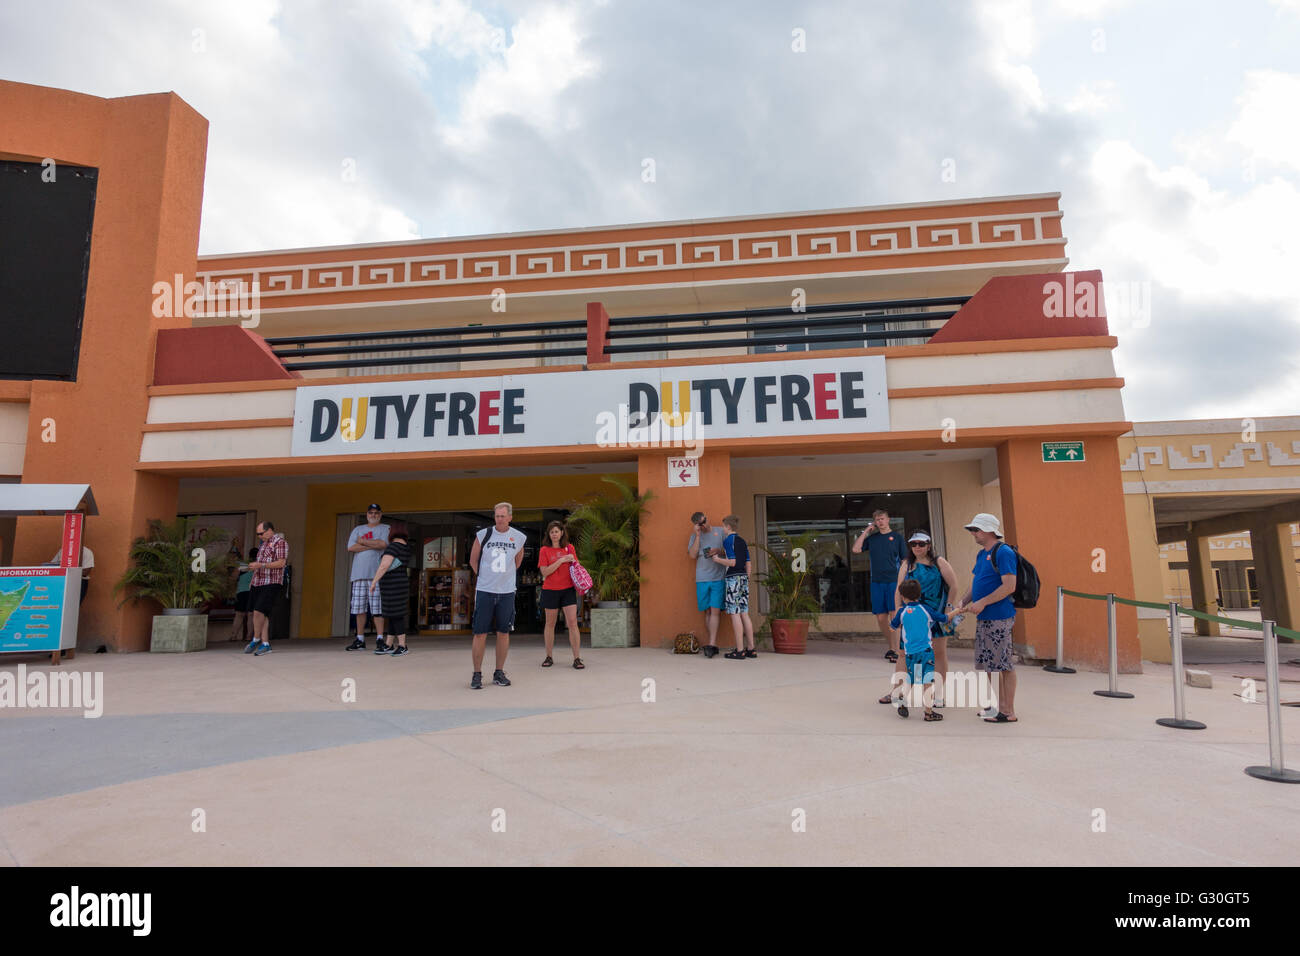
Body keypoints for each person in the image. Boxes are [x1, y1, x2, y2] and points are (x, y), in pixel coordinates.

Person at [877, 531, 960, 707]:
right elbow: (899, 589)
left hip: (935, 614)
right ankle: (896, 692)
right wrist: (898, 611)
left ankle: (937, 694)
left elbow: (953, 585)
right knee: (903, 653)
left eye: (921, 544)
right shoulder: (907, 564)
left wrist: (949, 607)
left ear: (928, 545)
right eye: (913, 544)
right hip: (912, 617)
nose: (917, 547)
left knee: (938, 653)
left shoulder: (939, 562)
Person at [955, 513, 1019, 723]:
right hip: (985, 617)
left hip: (999, 616)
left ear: (990, 531)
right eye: (973, 530)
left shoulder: (1004, 552)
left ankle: (1007, 711)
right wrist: (964, 601)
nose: (973, 533)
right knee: (989, 664)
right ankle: (995, 706)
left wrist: (983, 602)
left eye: (977, 529)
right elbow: (976, 583)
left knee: (1003, 664)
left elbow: (1009, 586)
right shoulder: (982, 554)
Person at [468, 502, 526, 689]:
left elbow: (517, 561)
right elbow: (473, 559)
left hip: (506, 592)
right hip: (485, 590)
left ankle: (499, 672)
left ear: (510, 517)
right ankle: (477, 673)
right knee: (480, 632)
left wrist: (504, 579)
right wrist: (485, 578)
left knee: (503, 632)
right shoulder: (484, 534)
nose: (499, 519)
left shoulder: (517, 537)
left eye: (503, 516)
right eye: (497, 516)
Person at [851, 509, 908, 662]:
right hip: (876, 582)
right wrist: (866, 532)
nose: (880, 522)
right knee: (881, 618)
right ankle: (891, 646)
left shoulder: (897, 538)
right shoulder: (873, 539)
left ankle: (896, 650)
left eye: (882, 518)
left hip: (893, 582)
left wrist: (903, 581)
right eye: (877, 520)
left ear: (888, 519)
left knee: (894, 615)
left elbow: (905, 561)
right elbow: (856, 549)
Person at [886, 578, 947, 721]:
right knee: (927, 681)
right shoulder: (925, 609)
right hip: (926, 653)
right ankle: (928, 712)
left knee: (912, 679)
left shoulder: (902, 612)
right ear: (919, 594)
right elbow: (943, 618)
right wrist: (956, 612)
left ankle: (902, 698)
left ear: (902, 596)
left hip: (910, 654)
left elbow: (892, 627)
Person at [538, 520, 583, 669]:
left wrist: (572, 560)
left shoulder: (570, 548)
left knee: (572, 623)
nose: (554, 534)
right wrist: (561, 560)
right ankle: (549, 656)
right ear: (549, 534)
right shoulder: (544, 550)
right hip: (550, 590)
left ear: (561, 532)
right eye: (552, 532)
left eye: (557, 531)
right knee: (550, 624)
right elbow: (545, 572)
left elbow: (576, 567)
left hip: (568, 589)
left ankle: (577, 658)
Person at [345, 504, 390, 652]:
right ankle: (360, 639)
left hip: (376, 574)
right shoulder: (358, 529)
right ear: (367, 514)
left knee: (377, 608)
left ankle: (379, 638)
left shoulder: (385, 528)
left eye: (376, 513)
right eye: (371, 512)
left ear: (380, 514)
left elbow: (383, 544)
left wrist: (363, 542)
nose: (373, 515)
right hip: (358, 574)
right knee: (359, 609)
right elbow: (351, 547)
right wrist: (372, 545)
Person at [711, 515, 756, 659]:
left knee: (735, 613)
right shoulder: (742, 541)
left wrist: (717, 559)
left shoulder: (728, 540)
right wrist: (746, 578)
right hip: (743, 578)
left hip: (733, 579)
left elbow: (732, 562)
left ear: (728, 527)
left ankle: (740, 650)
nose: (723, 528)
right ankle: (751, 649)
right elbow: (748, 562)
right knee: (744, 613)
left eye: (724, 526)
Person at [686, 511, 727, 657]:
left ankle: (712, 643)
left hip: (718, 577)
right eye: (700, 524)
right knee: (707, 611)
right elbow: (692, 555)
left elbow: (730, 551)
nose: (704, 526)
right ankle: (712, 643)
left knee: (715, 610)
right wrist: (697, 535)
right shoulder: (695, 536)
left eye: (704, 522)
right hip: (702, 578)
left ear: (707, 518)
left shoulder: (720, 532)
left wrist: (718, 551)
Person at [245, 520, 288, 657]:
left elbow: (281, 563)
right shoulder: (263, 544)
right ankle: (265, 643)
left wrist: (261, 565)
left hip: (272, 581)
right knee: (260, 613)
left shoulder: (280, 542)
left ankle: (256, 639)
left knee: (259, 611)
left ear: (269, 530)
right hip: (258, 582)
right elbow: (260, 563)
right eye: (257, 534)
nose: (259, 536)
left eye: (261, 533)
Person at [370, 530, 413, 657]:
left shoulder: (393, 547)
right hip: (400, 583)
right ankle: (389, 644)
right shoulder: (406, 547)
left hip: (393, 585)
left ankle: (402, 645)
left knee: (396, 614)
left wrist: (374, 582)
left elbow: (384, 565)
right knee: (393, 614)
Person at [230, 547, 256, 644]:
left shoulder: (242, 565)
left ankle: (233, 636)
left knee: (239, 615)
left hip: (241, 592)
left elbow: (233, 577)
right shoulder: (258, 566)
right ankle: (249, 636)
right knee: (250, 615)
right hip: (252, 592)